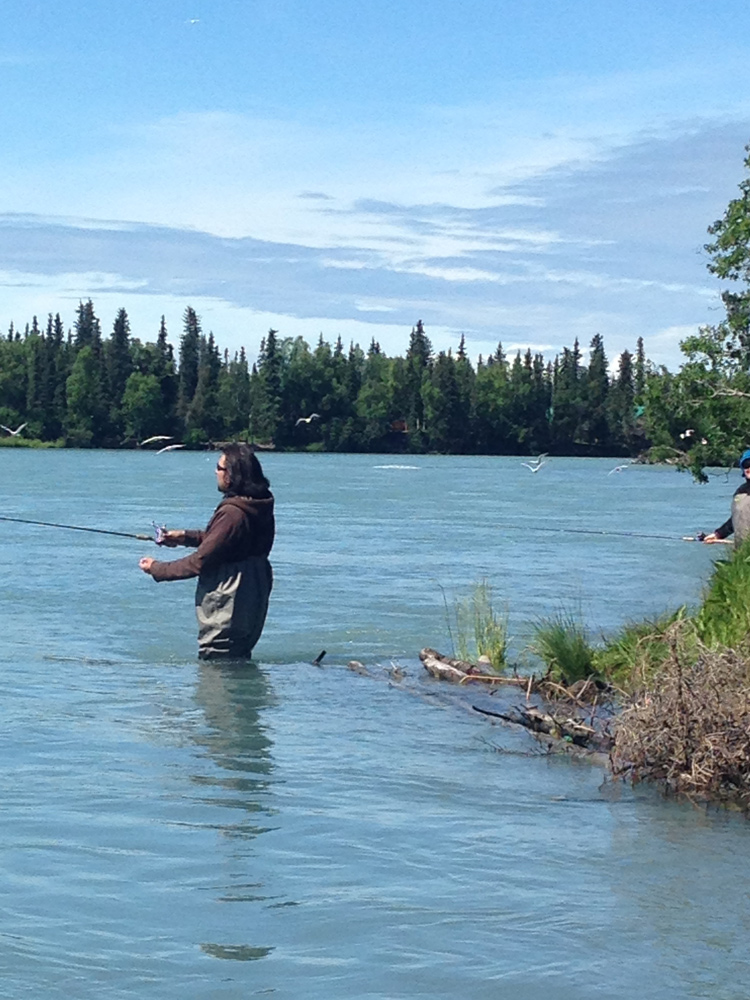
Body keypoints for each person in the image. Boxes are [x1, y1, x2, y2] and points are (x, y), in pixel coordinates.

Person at [139, 444, 275, 659]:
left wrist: (157, 569)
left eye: (219, 468)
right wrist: (184, 537)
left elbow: (201, 561)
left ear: (231, 475)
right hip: (254, 590)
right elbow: (229, 542)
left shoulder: (232, 513)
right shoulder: (257, 504)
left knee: (217, 657)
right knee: (237, 654)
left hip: (230, 594)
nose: (215, 472)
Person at [702, 448, 750, 549]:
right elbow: (737, 518)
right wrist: (718, 534)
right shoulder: (740, 492)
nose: (749, 467)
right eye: (746, 464)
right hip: (742, 551)